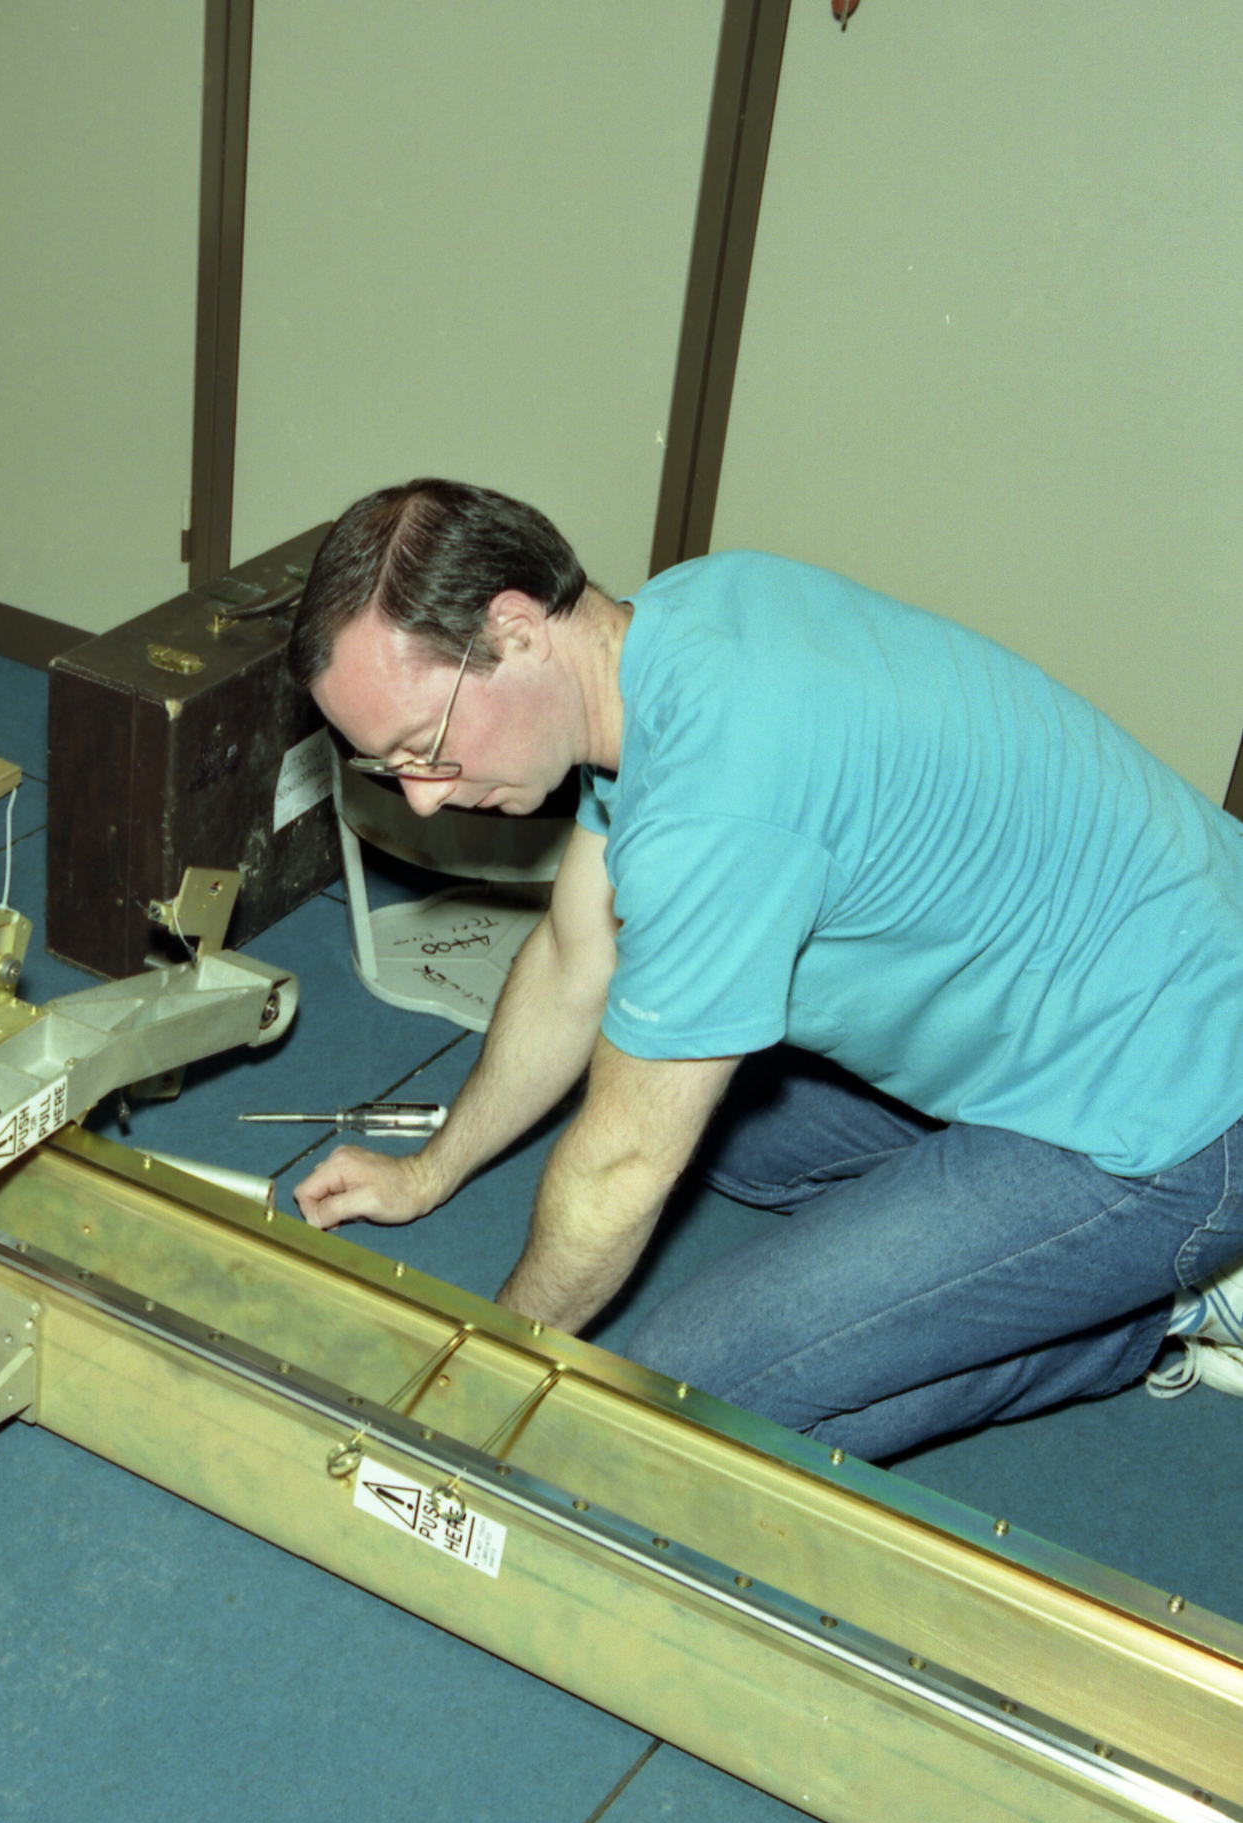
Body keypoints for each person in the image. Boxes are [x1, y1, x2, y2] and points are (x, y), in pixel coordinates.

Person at [288, 477, 1243, 1453]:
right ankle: (1073, 1269)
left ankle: (1155, 1299)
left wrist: (486, 1370)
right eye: (388, 767)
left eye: (425, 747)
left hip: (1182, 1107)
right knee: (726, 1128)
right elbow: (577, 954)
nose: (420, 798)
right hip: (1131, 983)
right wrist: (429, 1170)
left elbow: (619, 1170)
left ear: (517, 629)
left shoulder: (715, 807)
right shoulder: (677, 621)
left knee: (690, 1400)